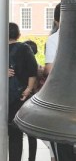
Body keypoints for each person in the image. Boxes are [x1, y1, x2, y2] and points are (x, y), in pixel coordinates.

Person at [44, 3, 76, 161]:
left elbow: (49, 69)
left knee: (61, 147)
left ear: (56, 20)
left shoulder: (54, 39)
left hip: (59, 100)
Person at [8, 22, 38, 161]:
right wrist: (28, 89)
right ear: (19, 35)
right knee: (20, 133)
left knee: (11, 135)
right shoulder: (25, 48)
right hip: (19, 97)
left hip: (4, 99)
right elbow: (33, 71)